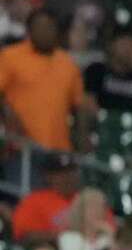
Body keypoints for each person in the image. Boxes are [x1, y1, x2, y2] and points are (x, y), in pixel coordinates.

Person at [0, 9, 86, 150]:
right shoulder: (10, 56)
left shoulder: (68, 63)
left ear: (57, 31)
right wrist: (8, 115)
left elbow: (79, 104)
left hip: (59, 148)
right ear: (29, 31)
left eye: (49, 27)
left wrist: (82, 137)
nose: (44, 32)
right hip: (19, 148)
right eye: (39, 27)